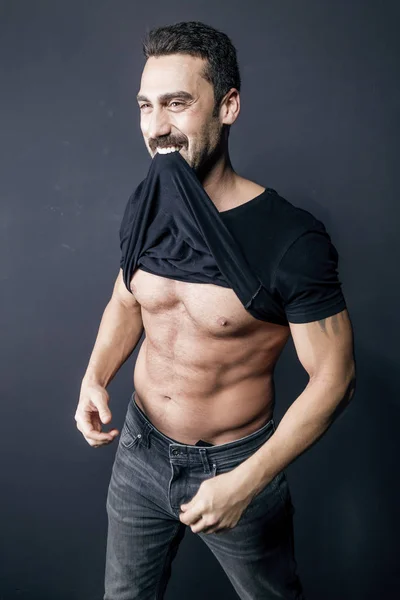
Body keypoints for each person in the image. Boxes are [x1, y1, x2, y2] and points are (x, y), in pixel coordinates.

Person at [74, 20, 356, 600]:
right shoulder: (148, 203)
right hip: (139, 450)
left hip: (235, 464)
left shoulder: (290, 239)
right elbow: (127, 299)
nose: (157, 127)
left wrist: (247, 482)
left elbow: (336, 378)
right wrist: (95, 376)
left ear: (227, 106)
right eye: (146, 106)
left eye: (177, 104)